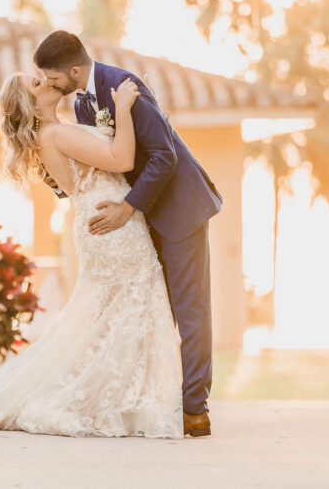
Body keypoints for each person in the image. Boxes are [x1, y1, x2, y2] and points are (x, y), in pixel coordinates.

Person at [0, 72, 184, 438]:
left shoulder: (53, 134)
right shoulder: (56, 133)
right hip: (112, 222)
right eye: (36, 84)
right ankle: (116, 400)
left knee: (108, 311)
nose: (45, 82)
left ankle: (123, 397)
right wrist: (122, 108)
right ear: (31, 102)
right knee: (133, 303)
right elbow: (121, 159)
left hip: (95, 217)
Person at [33, 31, 221, 438]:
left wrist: (128, 207)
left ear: (75, 70)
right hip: (139, 220)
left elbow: (164, 155)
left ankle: (195, 410)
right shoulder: (83, 101)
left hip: (178, 210)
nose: (49, 86)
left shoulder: (122, 87)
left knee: (190, 312)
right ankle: (155, 400)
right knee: (153, 311)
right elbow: (105, 161)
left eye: (52, 79)